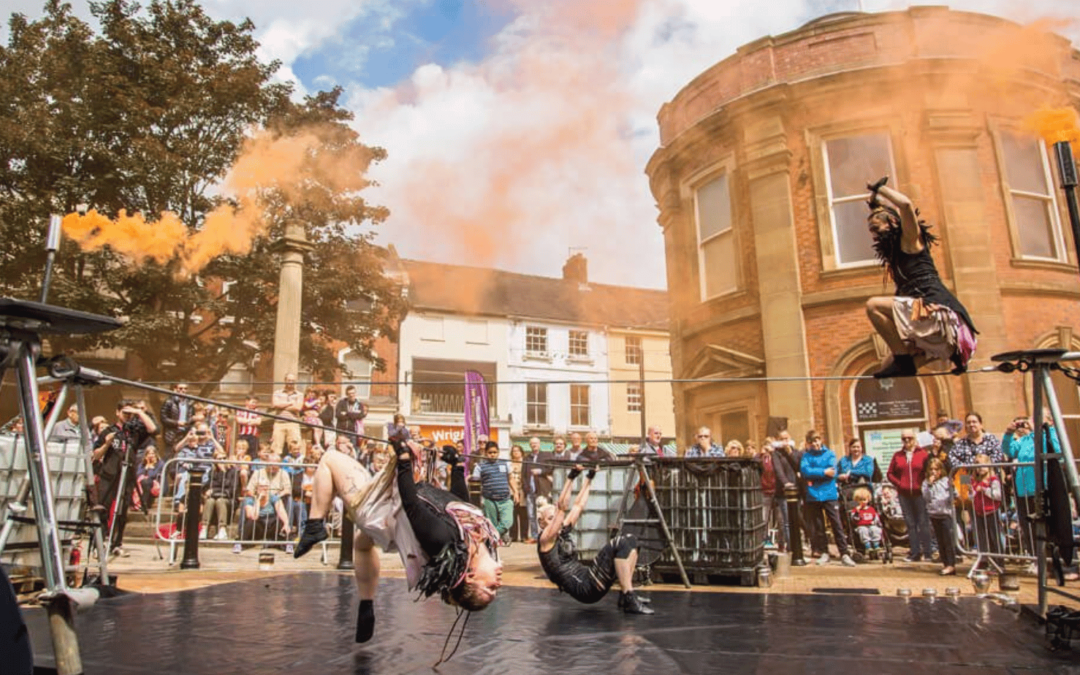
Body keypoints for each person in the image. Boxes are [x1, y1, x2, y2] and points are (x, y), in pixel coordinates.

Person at [294, 441, 503, 643]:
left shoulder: (443, 542)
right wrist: (456, 467)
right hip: (395, 514)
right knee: (362, 544)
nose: (498, 585)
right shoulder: (475, 544)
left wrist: (403, 459)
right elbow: (461, 505)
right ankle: (366, 605)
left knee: (330, 459)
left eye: (490, 588)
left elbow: (411, 505)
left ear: (471, 576)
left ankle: (314, 525)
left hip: (382, 513)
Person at [863, 177, 977, 378]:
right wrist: (875, 204)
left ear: (893, 222)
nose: (873, 236)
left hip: (934, 310)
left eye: (875, 229)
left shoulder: (909, 240)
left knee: (873, 305)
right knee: (886, 364)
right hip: (924, 318)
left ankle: (906, 359)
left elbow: (906, 205)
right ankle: (953, 354)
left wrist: (881, 190)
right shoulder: (895, 257)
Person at [536, 464, 654, 614]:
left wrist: (589, 477)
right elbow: (562, 507)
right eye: (550, 519)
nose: (555, 522)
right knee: (620, 543)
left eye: (554, 518)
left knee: (632, 541)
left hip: (589, 576)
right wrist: (571, 477)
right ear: (541, 522)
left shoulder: (563, 531)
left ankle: (626, 594)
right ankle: (629, 597)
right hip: (585, 587)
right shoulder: (546, 540)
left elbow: (578, 505)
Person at [93, 399, 158, 556]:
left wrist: (139, 412)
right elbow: (95, 455)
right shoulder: (108, 430)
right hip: (109, 475)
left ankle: (117, 543)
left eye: (130, 414)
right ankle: (99, 544)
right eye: (125, 413)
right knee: (103, 509)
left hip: (127, 475)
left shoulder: (134, 432)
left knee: (122, 511)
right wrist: (107, 444)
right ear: (117, 412)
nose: (127, 416)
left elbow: (153, 429)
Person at [1003, 412, 1060, 561]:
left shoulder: (1050, 435)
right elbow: (1009, 450)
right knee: (1029, 528)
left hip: (1042, 488)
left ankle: (1056, 562)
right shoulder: (1025, 440)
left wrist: (1043, 429)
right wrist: (1009, 433)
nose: (1030, 422)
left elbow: (1055, 449)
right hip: (1023, 491)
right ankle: (1038, 561)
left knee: (1048, 528)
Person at [799, 430, 856, 567]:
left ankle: (844, 553)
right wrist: (823, 472)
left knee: (836, 524)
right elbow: (805, 471)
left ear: (821, 440)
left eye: (817, 440)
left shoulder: (830, 454)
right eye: (812, 441)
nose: (815, 443)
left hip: (829, 494)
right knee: (819, 526)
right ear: (809, 443)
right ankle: (824, 552)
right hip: (813, 495)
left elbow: (833, 472)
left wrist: (816, 473)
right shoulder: (806, 456)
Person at [886, 430, 933, 563]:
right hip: (904, 494)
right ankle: (915, 552)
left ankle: (928, 552)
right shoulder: (897, 455)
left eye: (909, 438)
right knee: (910, 524)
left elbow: (929, 471)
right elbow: (890, 473)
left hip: (920, 494)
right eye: (904, 439)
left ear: (914, 439)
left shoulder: (923, 454)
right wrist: (899, 484)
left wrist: (924, 485)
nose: (907, 441)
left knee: (923, 524)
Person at [471, 441, 514, 544]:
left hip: (505, 499)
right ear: (486, 453)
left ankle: (491, 537)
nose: (492, 454)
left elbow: (511, 479)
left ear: (498, 452)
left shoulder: (505, 463)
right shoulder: (480, 466)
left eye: (495, 452)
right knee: (492, 525)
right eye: (490, 452)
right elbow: (475, 482)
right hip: (489, 500)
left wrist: (516, 492)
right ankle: (492, 546)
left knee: (507, 522)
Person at [922, 457, 957, 575]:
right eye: (931, 469)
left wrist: (953, 489)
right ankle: (946, 563)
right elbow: (926, 497)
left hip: (945, 514)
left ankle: (951, 564)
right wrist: (929, 485)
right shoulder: (926, 483)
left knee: (948, 540)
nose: (933, 472)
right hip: (934, 514)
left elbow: (954, 495)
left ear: (940, 470)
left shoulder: (946, 481)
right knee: (940, 540)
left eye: (936, 469)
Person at [970, 453, 1003, 561]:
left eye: (983, 465)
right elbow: (968, 494)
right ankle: (983, 560)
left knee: (994, 538)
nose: (980, 468)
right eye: (977, 465)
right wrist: (971, 492)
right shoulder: (973, 479)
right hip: (978, 512)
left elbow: (998, 495)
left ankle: (998, 561)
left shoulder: (993, 479)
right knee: (982, 538)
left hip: (991, 512)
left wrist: (985, 490)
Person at [523, 437, 553, 544]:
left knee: (544, 514)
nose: (534, 445)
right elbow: (523, 474)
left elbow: (550, 468)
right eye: (532, 443)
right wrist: (525, 487)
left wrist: (540, 471)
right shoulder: (527, 458)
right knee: (531, 515)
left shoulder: (546, 456)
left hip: (542, 490)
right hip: (530, 491)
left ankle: (546, 535)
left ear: (539, 444)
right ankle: (535, 536)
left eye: (536, 443)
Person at [270, 374, 303, 454]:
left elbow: (298, 408)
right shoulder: (277, 393)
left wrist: (281, 406)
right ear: (285, 381)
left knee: (295, 448)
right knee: (276, 449)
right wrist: (291, 403)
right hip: (279, 423)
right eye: (289, 380)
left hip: (293, 423)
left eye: (293, 381)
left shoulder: (299, 394)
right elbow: (275, 404)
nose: (291, 382)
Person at [159, 383, 192, 458]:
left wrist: (189, 422)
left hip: (184, 433)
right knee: (170, 455)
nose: (183, 390)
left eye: (185, 388)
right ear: (175, 389)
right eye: (180, 388)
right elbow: (163, 418)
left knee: (183, 454)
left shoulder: (189, 403)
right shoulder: (169, 402)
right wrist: (177, 423)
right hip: (172, 433)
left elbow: (190, 416)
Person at [849, 486, 883, 556]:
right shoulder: (855, 510)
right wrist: (857, 513)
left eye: (864, 500)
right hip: (861, 525)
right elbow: (854, 520)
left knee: (875, 529)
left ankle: (876, 544)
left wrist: (876, 522)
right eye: (860, 500)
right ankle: (868, 546)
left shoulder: (871, 509)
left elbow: (875, 517)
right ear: (857, 500)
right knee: (863, 531)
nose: (863, 502)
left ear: (868, 499)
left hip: (871, 524)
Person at [508, 445, 528, 542]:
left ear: (521, 452)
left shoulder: (525, 463)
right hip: (511, 490)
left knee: (523, 513)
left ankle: (524, 536)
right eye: (514, 451)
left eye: (517, 451)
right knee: (513, 513)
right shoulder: (509, 464)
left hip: (523, 490)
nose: (515, 452)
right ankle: (513, 535)